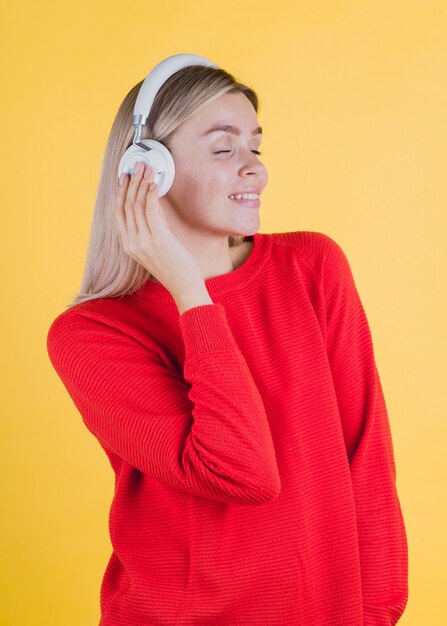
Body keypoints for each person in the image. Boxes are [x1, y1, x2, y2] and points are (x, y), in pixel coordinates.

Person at [46, 59, 408, 625]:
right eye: (223, 150)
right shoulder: (93, 335)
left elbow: (366, 455)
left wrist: (379, 615)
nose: (255, 171)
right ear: (148, 170)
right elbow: (242, 472)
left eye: (255, 148)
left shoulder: (313, 267)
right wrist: (192, 291)